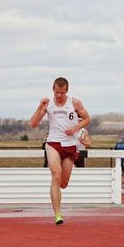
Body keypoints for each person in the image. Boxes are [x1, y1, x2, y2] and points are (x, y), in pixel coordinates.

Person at [29, 77, 91, 225]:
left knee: (63, 183)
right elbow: (33, 124)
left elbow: (87, 119)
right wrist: (39, 107)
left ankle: (58, 194)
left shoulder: (75, 103)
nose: (59, 95)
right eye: (57, 92)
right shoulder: (48, 104)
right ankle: (57, 214)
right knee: (56, 175)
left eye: (62, 93)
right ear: (53, 89)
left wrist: (75, 129)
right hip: (53, 143)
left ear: (67, 91)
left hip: (70, 145)